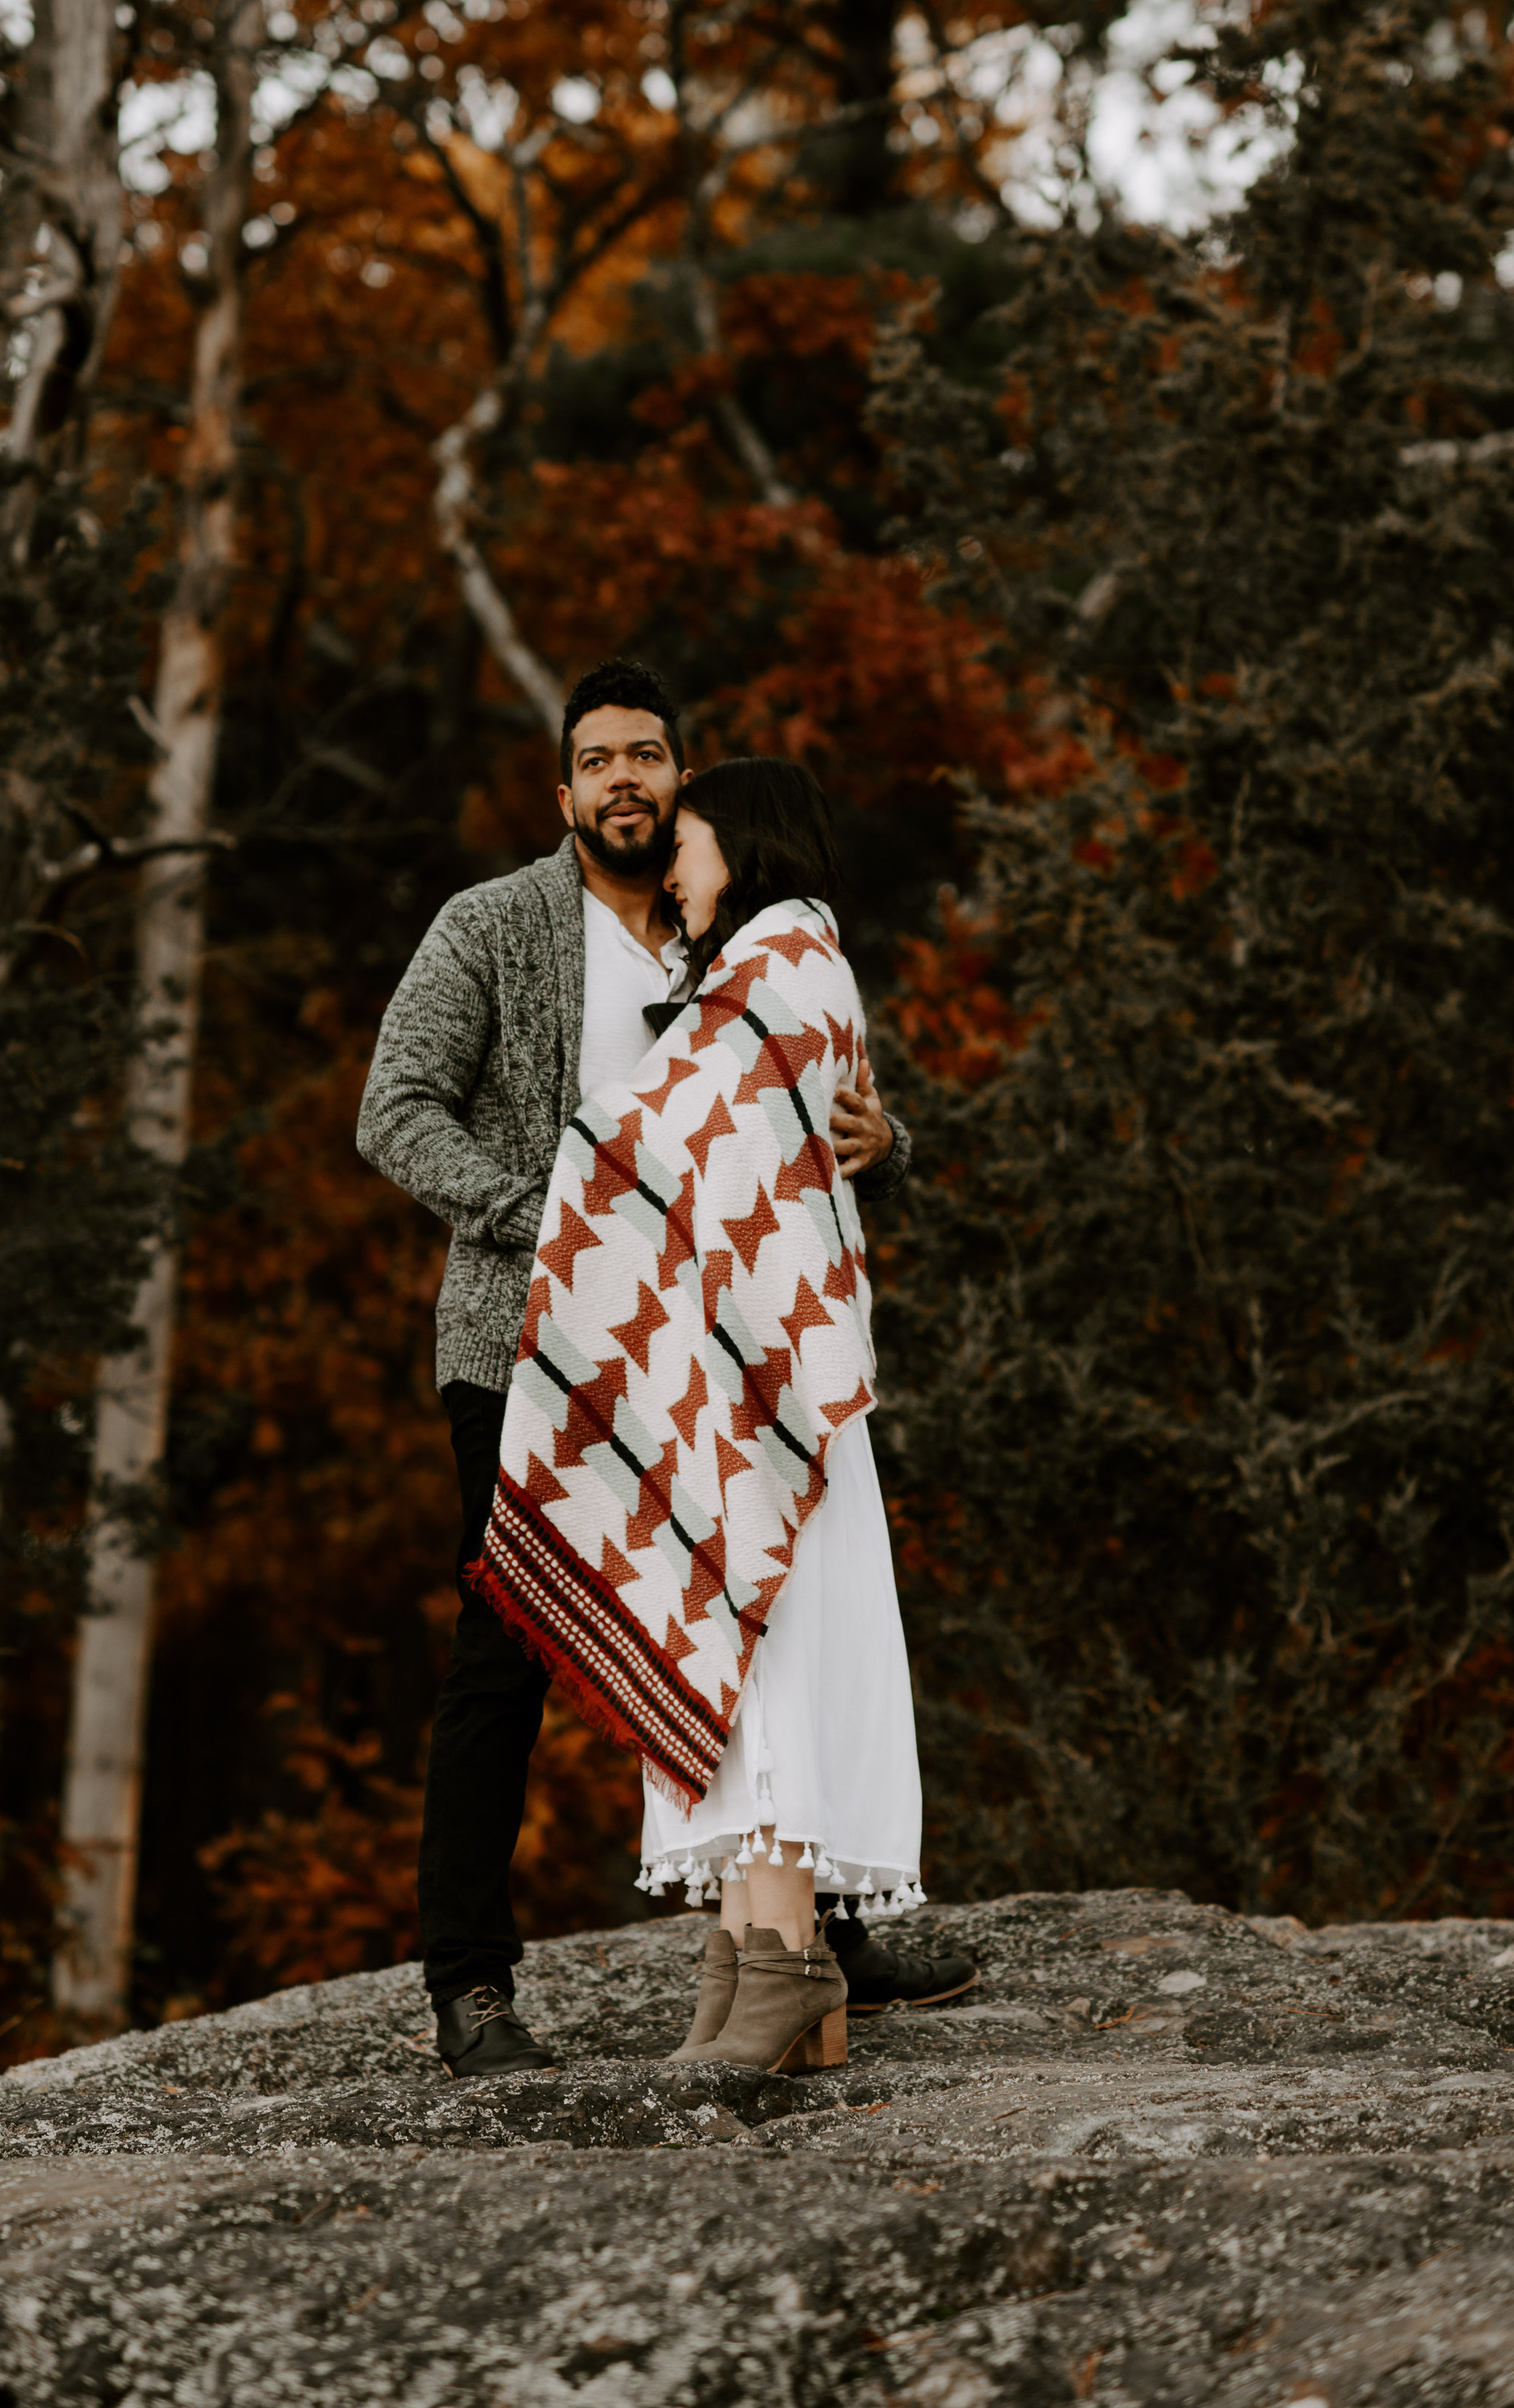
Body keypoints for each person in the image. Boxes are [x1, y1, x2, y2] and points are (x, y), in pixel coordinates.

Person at [357, 662, 916, 2079]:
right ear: (563, 792)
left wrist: (883, 1139)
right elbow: (393, 1108)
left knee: (742, 1617)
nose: (624, 779)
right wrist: (535, 1213)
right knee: (513, 1647)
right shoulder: (494, 926)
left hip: (701, 1365)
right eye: (596, 759)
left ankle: (816, 1936)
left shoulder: (720, 935)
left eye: (648, 756)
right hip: (522, 1340)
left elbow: (798, 1121)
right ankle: (471, 1984)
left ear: (684, 781)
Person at [475, 756, 971, 2074]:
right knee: (741, 1668)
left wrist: (587, 1158)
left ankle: (792, 1953)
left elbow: (697, 1145)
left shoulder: (786, 965)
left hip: (779, 1401)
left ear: (740, 844)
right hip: (740, 1393)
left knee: (781, 1662)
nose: (674, 870)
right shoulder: (754, 975)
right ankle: (757, 1955)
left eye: (687, 839)